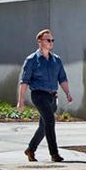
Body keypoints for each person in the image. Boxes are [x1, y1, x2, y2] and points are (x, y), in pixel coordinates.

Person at [17, 30, 72, 163]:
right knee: (50, 121)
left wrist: (67, 93)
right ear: (40, 41)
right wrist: (21, 100)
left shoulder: (56, 60)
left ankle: (31, 149)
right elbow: (24, 81)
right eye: (48, 40)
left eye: (52, 40)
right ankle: (54, 154)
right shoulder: (31, 60)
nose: (51, 43)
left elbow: (62, 79)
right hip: (39, 95)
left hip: (52, 96)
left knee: (44, 126)